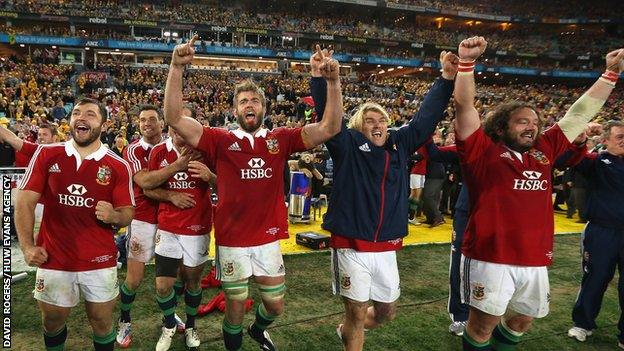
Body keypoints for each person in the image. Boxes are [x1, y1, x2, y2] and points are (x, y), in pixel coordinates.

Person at [163, 37, 343, 351]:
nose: (249, 105)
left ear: (264, 107)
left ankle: (258, 330)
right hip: (232, 240)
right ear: (235, 109)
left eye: (255, 101)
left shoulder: (281, 139)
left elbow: (329, 127)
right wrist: (177, 67)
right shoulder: (218, 139)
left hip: (267, 239)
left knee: (275, 306)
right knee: (235, 304)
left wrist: (333, 81)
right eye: (244, 101)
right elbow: (175, 118)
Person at [453, 36, 623, 351]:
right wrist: (466, 63)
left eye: (535, 122)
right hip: (491, 254)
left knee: (522, 321)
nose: (531, 127)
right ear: (501, 128)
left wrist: (610, 73)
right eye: (522, 122)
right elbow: (464, 106)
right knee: (482, 325)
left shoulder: (544, 149)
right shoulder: (481, 152)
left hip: (533, 255)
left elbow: (577, 115)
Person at [313, 50, 458, 350]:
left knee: (386, 312)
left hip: (387, 246)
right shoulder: (347, 144)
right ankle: (351, 333)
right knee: (355, 312)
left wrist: (446, 78)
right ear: (358, 126)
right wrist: (324, 80)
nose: (377, 124)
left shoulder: (399, 143)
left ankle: (346, 331)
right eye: (369, 120)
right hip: (351, 243)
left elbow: (425, 119)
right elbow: (329, 117)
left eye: (382, 119)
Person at [15, 97, 135, 351]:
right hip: (54, 258)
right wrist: (27, 246)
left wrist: (114, 217)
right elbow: (24, 202)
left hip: (99, 260)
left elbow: (127, 213)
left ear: (104, 124)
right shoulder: (47, 154)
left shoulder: (118, 165)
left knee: (102, 321)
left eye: (91, 114)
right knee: (53, 320)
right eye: (77, 113)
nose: (81, 117)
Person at [116, 104, 189, 348]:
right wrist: (173, 178)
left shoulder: (174, 144)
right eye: (142, 120)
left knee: (172, 276)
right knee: (134, 279)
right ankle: (124, 320)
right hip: (143, 220)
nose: (147, 123)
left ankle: (168, 317)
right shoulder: (134, 149)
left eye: (152, 119)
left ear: (162, 123)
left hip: (171, 220)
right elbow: (144, 181)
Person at [144, 125, 214, 351]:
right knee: (163, 286)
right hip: (168, 228)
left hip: (197, 228)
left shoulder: (206, 151)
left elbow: (226, 185)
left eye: (184, 129)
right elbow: (148, 188)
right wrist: (171, 195)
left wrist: (210, 176)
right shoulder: (158, 152)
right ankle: (170, 323)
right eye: (175, 128)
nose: (180, 134)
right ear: (169, 128)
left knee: (192, 282)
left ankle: (191, 326)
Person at [567, 121, 624, 349]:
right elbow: (572, 160)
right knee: (595, 278)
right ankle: (583, 323)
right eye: (619, 137)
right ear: (605, 140)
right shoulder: (597, 161)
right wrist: (581, 140)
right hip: (602, 232)